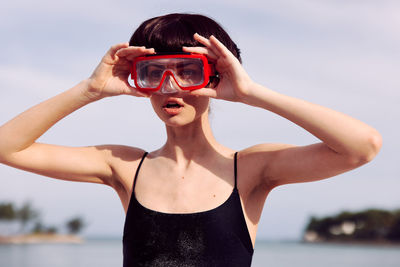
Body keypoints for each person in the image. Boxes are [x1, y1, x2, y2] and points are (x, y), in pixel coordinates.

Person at [0, 13, 382, 266]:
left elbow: (362, 146)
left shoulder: (252, 168)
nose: (171, 87)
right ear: (140, 82)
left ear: (217, 77)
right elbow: (7, 148)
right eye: (153, 73)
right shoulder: (124, 166)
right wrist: (89, 89)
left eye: (188, 71)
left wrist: (252, 93)